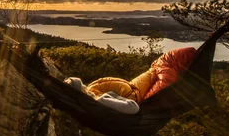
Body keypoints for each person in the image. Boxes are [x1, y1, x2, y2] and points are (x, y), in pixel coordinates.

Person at [64, 47, 198, 112]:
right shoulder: (99, 100)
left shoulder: (93, 92)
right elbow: (134, 107)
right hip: (134, 93)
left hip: (130, 87)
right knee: (162, 80)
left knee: (155, 72)